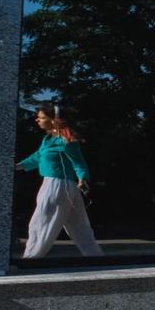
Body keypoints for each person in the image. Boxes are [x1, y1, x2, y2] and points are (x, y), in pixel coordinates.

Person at [15, 103, 104, 258]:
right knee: (78, 226)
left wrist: (82, 178)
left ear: (54, 120)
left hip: (57, 186)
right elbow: (37, 157)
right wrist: (18, 166)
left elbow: (79, 162)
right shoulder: (47, 140)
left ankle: (31, 259)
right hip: (61, 187)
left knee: (41, 222)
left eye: (41, 117)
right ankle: (95, 257)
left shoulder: (66, 140)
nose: (37, 120)